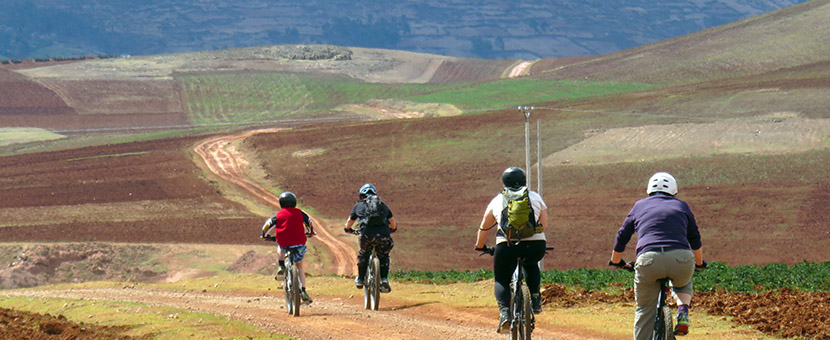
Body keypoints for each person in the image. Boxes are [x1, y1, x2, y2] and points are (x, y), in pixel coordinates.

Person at [609, 172, 707, 339]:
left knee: (645, 309)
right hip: (680, 258)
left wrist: (616, 261)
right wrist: (698, 263)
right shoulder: (682, 206)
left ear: (648, 191)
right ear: (674, 192)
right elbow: (694, 238)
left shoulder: (639, 206)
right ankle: (683, 309)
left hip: (649, 260)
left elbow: (622, 236)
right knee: (683, 283)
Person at [474, 167, 548, 333]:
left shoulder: (498, 200)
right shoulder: (535, 197)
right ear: (524, 181)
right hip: (535, 245)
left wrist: (480, 245)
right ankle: (535, 299)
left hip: (507, 246)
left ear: (504, 182)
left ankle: (505, 314)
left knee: (501, 279)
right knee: (531, 264)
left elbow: (484, 227)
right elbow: (543, 226)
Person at [261, 191, 315, 304]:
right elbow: (309, 223)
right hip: (299, 243)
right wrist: (311, 232)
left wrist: (265, 235)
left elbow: (267, 225)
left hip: (284, 242)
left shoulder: (279, 215)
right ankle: (304, 291)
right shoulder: (300, 213)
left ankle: (281, 266)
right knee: (299, 267)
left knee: (280, 246)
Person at [344, 183, 397, 293]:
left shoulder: (358, 205)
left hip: (366, 234)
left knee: (364, 253)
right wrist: (392, 229)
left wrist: (348, 229)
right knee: (384, 256)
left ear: (361, 195)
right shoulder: (382, 205)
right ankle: (384, 279)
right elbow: (392, 221)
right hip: (383, 234)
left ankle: (360, 279)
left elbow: (350, 222)